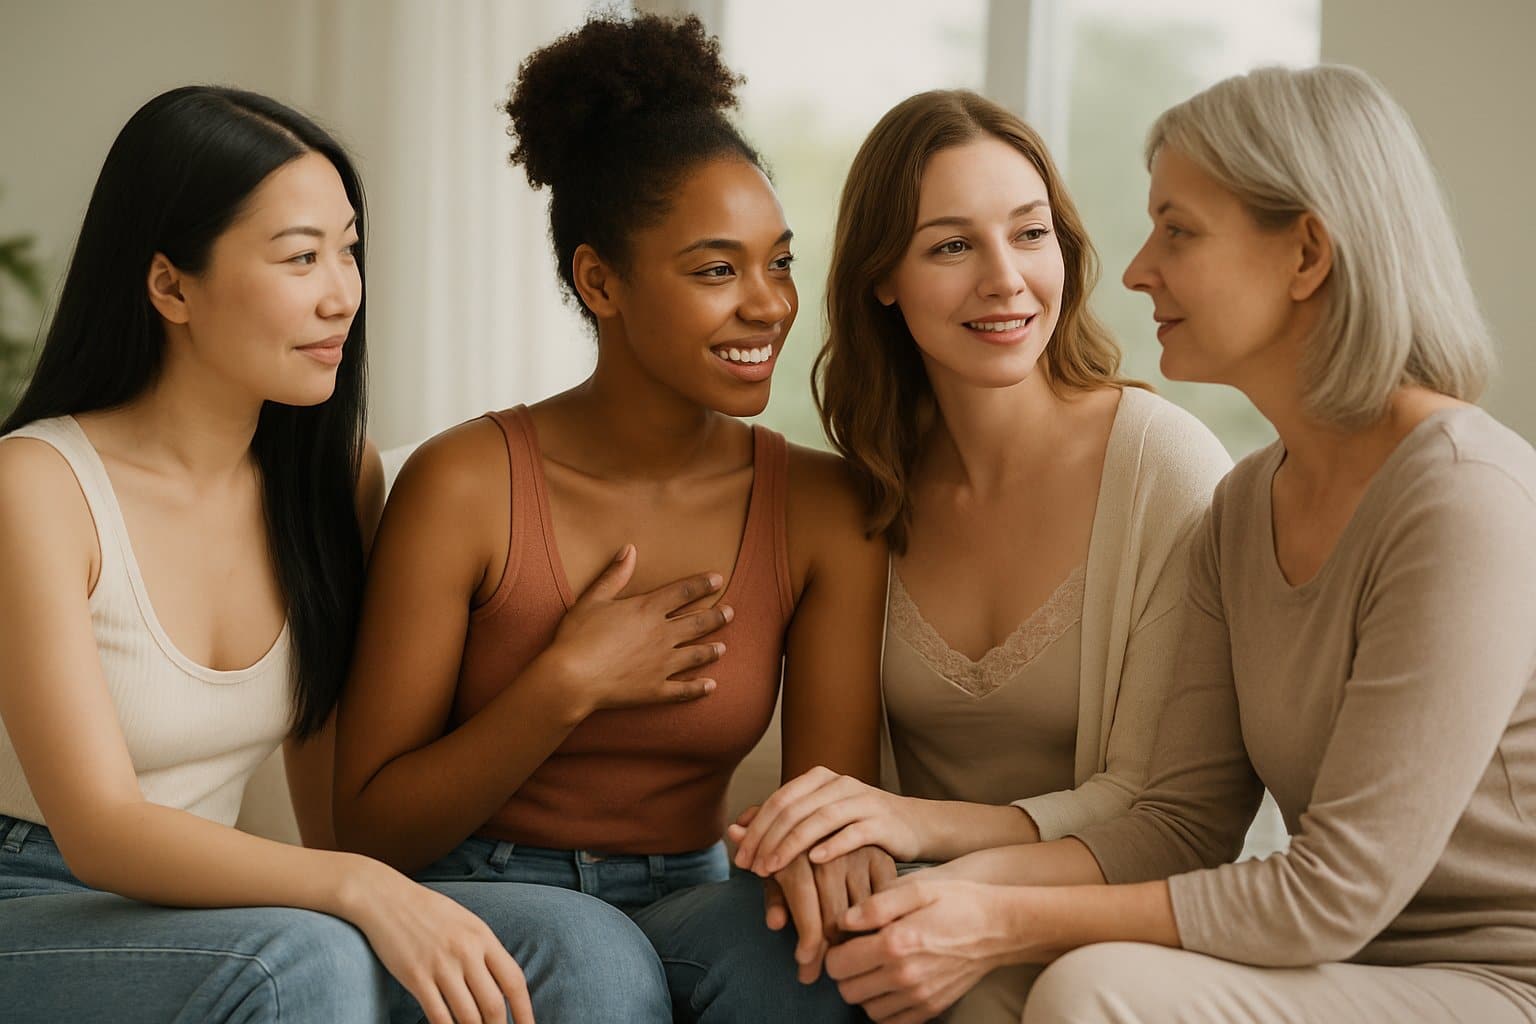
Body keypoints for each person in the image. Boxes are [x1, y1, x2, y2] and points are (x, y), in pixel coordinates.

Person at [820, 65, 1536, 1024]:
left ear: (1306, 256)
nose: (1137, 266)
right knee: (980, 986)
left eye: (1179, 231)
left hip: (1498, 978)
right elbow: (1180, 821)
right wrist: (945, 902)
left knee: (1085, 986)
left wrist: (1002, 920)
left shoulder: (1463, 497)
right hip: (1333, 968)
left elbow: (1331, 892)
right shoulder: (1244, 506)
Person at [331, 14, 889, 1023]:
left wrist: (829, 873)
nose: (768, 304)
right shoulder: (467, 484)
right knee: (590, 966)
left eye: (779, 261)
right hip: (472, 892)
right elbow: (368, 829)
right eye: (717, 269)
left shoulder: (822, 506)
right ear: (601, 281)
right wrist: (564, 683)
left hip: (692, 887)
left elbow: (825, 811)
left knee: (807, 972)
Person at [0, 87, 532, 1024]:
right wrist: (357, 890)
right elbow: (101, 832)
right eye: (299, 257)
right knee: (302, 957)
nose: (342, 293)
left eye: (349, 248)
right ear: (171, 286)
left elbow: (330, 802)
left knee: (566, 939)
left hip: (206, 909)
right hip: (30, 896)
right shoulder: (35, 487)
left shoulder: (331, 478)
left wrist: (394, 890)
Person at [727, 88, 1233, 1022]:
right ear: (884, 276)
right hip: (910, 926)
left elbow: (1163, 811)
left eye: (1029, 233)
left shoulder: (1165, 469)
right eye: (952, 245)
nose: (1005, 278)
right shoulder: (865, 494)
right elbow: (841, 780)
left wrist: (923, 848)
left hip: (1103, 935)